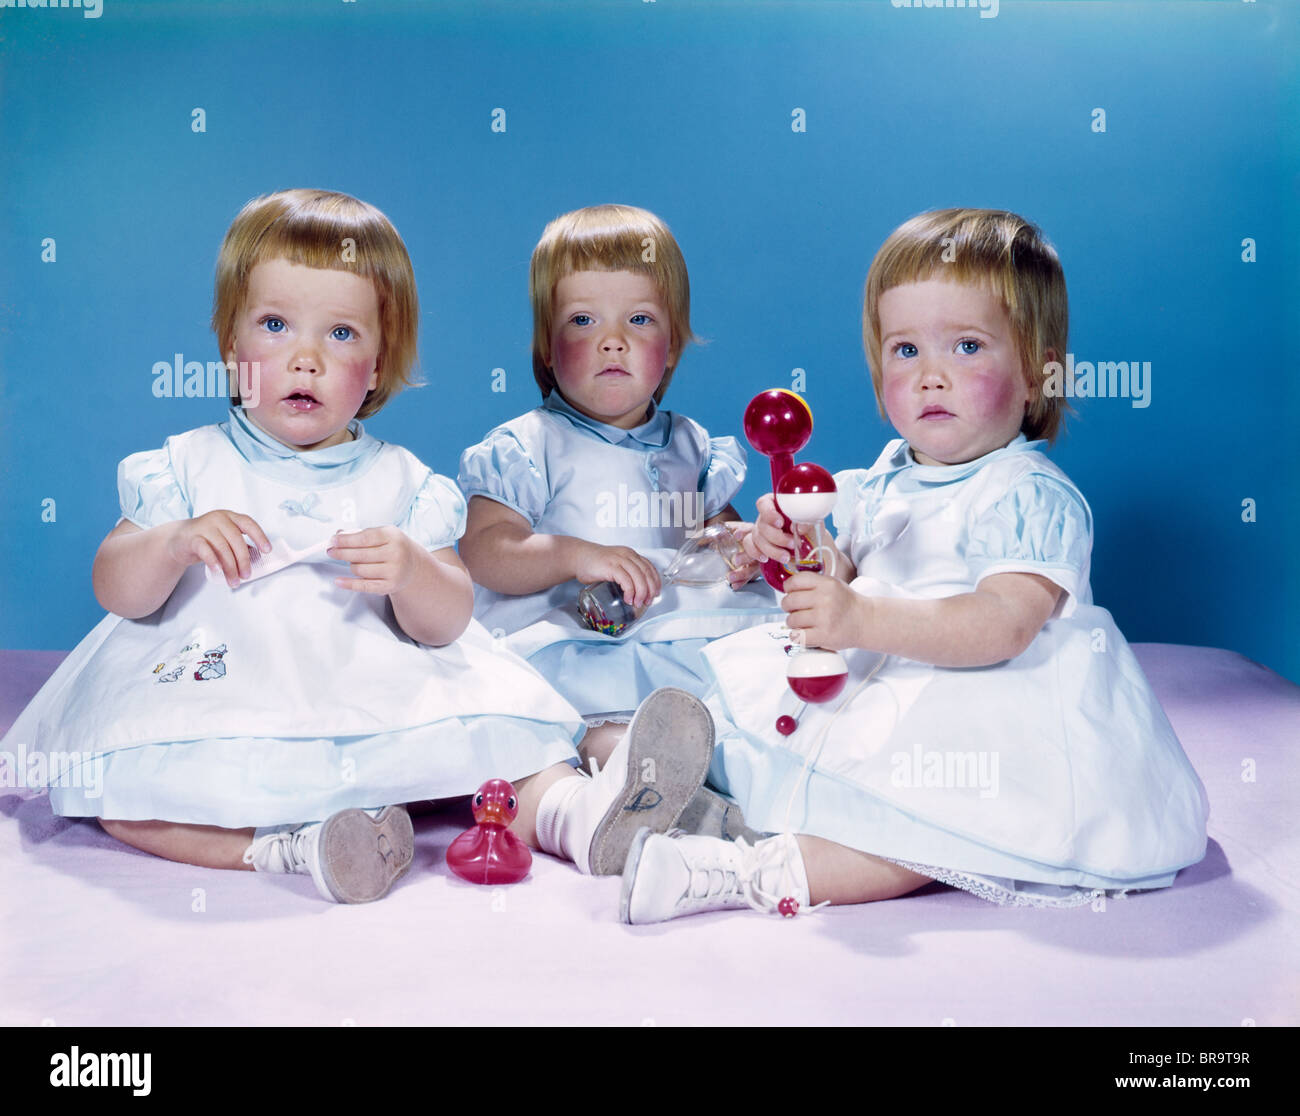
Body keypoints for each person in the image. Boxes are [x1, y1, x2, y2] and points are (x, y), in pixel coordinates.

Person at [3, 188, 713, 902]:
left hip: (373, 694)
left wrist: (410, 571)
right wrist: (174, 542)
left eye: (340, 334)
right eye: (275, 325)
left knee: (513, 745)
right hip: (226, 688)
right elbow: (116, 589)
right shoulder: (186, 466)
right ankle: (289, 849)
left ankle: (579, 816)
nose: (305, 358)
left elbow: (447, 622)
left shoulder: (401, 480)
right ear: (230, 345)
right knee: (123, 789)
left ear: (377, 366)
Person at [620, 208, 1210, 923]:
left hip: (988, 707)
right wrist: (807, 554)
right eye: (904, 351)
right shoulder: (883, 478)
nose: (931, 376)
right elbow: (855, 566)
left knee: (932, 829)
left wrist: (863, 617)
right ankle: (672, 801)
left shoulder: (1027, 494)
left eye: (966, 345)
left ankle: (755, 870)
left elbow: (1003, 623)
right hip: (883, 678)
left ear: (1037, 375)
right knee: (766, 739)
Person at [457, 204, 781, 837]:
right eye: (582, 320)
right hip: (573, 640)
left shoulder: (693, 448)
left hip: (677, 640)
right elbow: (485, 552)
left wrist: (745, 548)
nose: (613, 340)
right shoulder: (530, 445)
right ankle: (644, 784)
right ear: (545, 349)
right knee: (569, 729)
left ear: (674, 345)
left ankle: (719, 795)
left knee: (746, 689)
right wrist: (577, 555)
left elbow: (718, 543)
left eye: (639, 319)